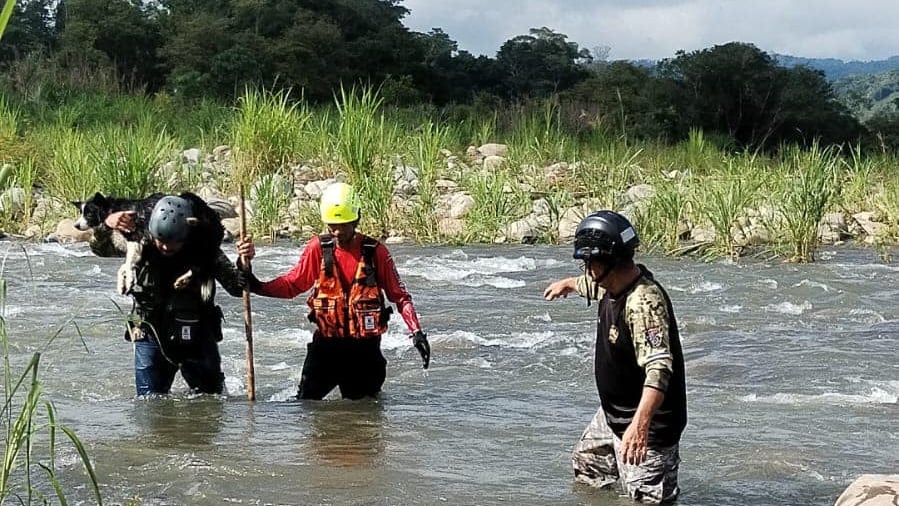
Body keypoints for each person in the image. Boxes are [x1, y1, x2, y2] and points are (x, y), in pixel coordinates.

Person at [543, 210, 687, 504]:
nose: (587, 269)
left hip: (648, 423)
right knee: (588, 464)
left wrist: (640, 426)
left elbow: (659, 369)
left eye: (588, 262)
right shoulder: (613, 285)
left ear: (607, 262)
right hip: (614, 414)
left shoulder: (642, 303)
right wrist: (568, 284)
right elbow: (591, 285)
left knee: (646, 500)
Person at [238, 182, 430, 400]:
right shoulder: (317, 249)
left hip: (364, 353)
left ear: (356, 219)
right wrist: (256, 285)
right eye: (332, 225)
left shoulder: (376, 252)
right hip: (326, 350)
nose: (337, 231)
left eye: (344, 225)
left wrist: (417, 332)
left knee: (365, 419)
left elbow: (400, 296)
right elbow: (292, 285)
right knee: (305, 407)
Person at [97, 195, 247, 396]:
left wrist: (244, 260)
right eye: (161, 241)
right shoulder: (140, 241)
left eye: (173, 242)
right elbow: (100, 249)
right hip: (150, 331)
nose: (166, 247)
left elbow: (237, 287)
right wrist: (107, 225)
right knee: (149, 405)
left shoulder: (205, 249)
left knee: (211, 402)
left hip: (197, 333)